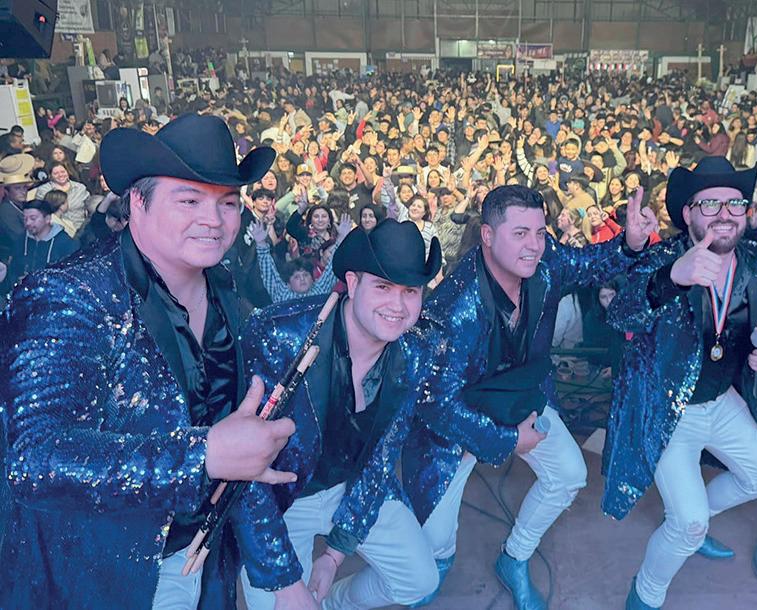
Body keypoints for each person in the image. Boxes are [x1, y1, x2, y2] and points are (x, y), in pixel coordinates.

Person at [0, 113, 296, 609]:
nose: (214, 219)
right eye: (189, 200)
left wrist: (284, 578)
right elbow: (35, 458)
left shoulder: (224, 288)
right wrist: (202, 455)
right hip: (101, 581)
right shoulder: (66, 294)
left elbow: (238, 438)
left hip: (203, 561)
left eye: (227, 202)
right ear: (138, 202)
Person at [402, 184, 656, 609]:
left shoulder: (546, 260)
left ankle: (514, 557)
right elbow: (437, 404)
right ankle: (440, 558)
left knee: (569, 474)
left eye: (540, 232)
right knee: (433, 538)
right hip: (456, 424)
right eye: (520, 233)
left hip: (523, 396)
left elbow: (587, 265)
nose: (534, 245)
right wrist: (507, 441)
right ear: (487, 235)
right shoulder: (451, 307)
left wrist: (630, 243)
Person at [602, 157, 757, 609]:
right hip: (666, 410)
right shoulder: (663, 259)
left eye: (734, 203)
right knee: (688, 524)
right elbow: (619, 314)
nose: (724, 213)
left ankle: (692, 514)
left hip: (722, 401)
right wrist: (670, 280)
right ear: (687, 214)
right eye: (710, 204)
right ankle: (644, 596)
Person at [235, 220, 442, 609]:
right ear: (352, 282)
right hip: (280, 498)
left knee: (420, 579)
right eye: (383, 287)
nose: (398, 306)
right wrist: (284, 580)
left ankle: (334, 604)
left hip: (351, 483)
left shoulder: (415, 351)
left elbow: (383, 452)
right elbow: (241, 468)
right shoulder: (280, 334)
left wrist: (334, 555)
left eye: (410, 291)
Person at [5, 198, 80, 284]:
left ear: (47, 219)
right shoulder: (21, 240)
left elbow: (71, 276)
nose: (28, 223)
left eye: (33, 218)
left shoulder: (66, 243)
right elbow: (13, 270)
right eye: (25, 219)